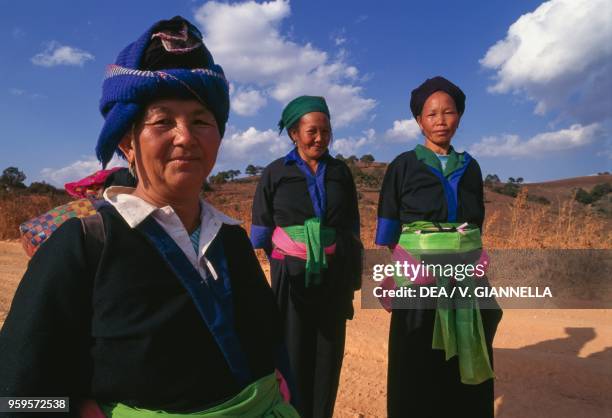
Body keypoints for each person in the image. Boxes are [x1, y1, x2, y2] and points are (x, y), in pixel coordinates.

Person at [0, 16, 298, 418]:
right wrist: (76, 411)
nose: (185, 137)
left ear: (218, 136)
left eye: (201, 121)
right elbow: (16, 398)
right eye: (163, 121)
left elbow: (273, 351)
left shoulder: (232, 240)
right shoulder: (84, 245)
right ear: (127, 143)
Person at [375, 76, 503, 418]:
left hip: (467, 274)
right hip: (420, 278)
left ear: (459, 116)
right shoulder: (403, 165)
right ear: (419, 121)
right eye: (432, 114)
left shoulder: (470, 166)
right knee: (417, 357)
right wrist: (410, 269)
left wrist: (475, 255)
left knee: (470, 347)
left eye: (449, 112)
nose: (441, 121)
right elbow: (388, 230)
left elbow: (476, 224)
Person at [250, 96, 362, 418]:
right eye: (312, 131)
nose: (320, 138)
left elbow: (351, 227)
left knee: (328, 356)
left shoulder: (341, 172)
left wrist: (349, 271)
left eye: (326, 131)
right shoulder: (275, 173)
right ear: (293, 135)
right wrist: (290, 253)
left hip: (333, 276)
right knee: (291, 353)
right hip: (290, 276)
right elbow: (260, 234)